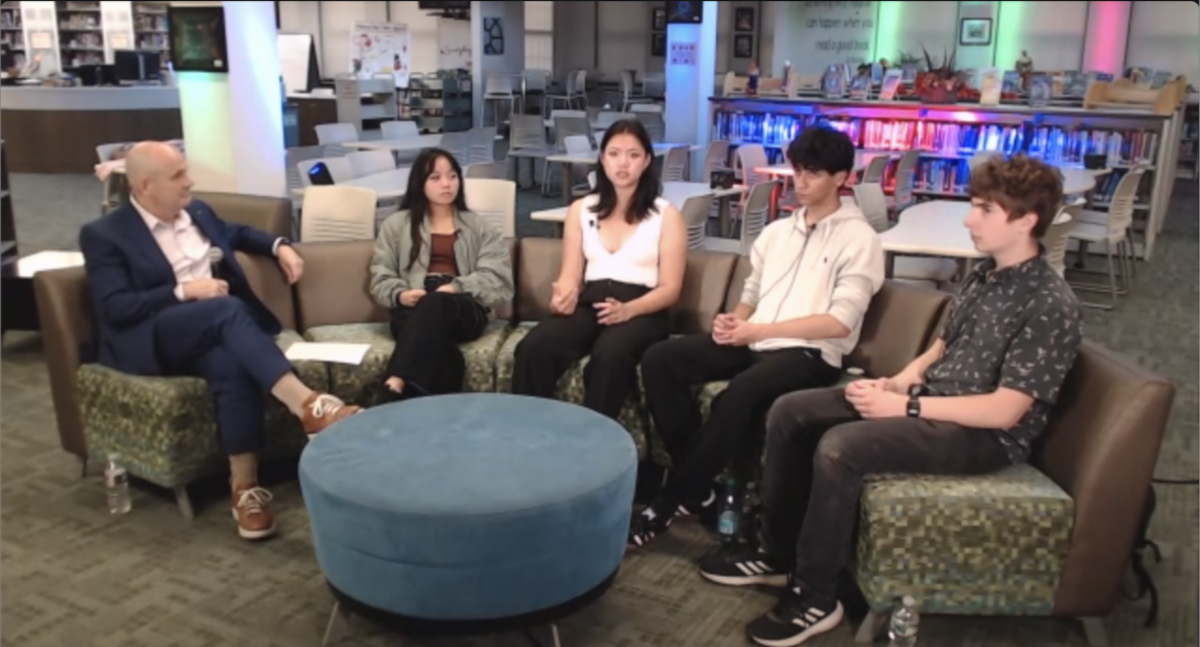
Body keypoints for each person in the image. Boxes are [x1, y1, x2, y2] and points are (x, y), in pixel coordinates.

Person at [699, 155, 1083, 647]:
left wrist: (909, 408)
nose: (969, 218)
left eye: (984, 210)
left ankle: (817, 594)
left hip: (984, 435)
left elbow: (1005, 411)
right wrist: (899, 382)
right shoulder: (984, 275)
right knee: (792, 411)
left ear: (1026, 220)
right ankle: (777, 554)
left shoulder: (1049, 303)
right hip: (932, 402)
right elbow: (945, 345)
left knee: (841, 447)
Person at [78, 141, 362, 541]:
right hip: (152, 336)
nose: (189, 181)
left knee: (231, 364)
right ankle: (307, 404)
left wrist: (280, 246)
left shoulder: (195, 211)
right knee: (226, 309)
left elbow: (235, 232)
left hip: (206, 334)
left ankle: (244, 489)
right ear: (144, 186)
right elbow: (113, 308)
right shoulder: (105, 234)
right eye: (177, 175)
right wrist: (184, 292)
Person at [627, 126, 885, 549]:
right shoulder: (778, 232)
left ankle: (669, 501)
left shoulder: (860, 239)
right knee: (661, 358)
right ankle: (701, 487)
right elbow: (752, 292)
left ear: (841, 178)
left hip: (810, 353)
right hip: (756, 338)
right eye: (797, 171)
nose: (800, 182)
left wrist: (757, 330)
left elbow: (838, 323)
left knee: (741, 391)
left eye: (813, 174)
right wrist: (735, 321)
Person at [510, 119, 687, 421]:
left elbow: (671, 289)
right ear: (602, 158)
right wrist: (563, 294)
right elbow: (571, 274)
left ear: (646, 161)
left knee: (610, 357)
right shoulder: (582, 209)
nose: (623, 163)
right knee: (534, 347)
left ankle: (592, 450)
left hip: (642, 308)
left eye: (633, 155)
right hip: (591, 301)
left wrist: (629, 310)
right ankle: (526, 435)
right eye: (614, 153)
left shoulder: (666, 216)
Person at [369, 147, 514, 400]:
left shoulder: (479, 226)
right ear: (419, 183)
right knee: (445, 354)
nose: (446, 184)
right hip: (413, 307)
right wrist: (400, 295)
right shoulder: (397, 225)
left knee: (436, 302)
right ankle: (437, 416)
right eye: (435, 178)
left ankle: (394, 383)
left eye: (452, 176)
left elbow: (497, 278)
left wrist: (456, 287)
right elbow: (380, 276)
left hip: (465, 305)